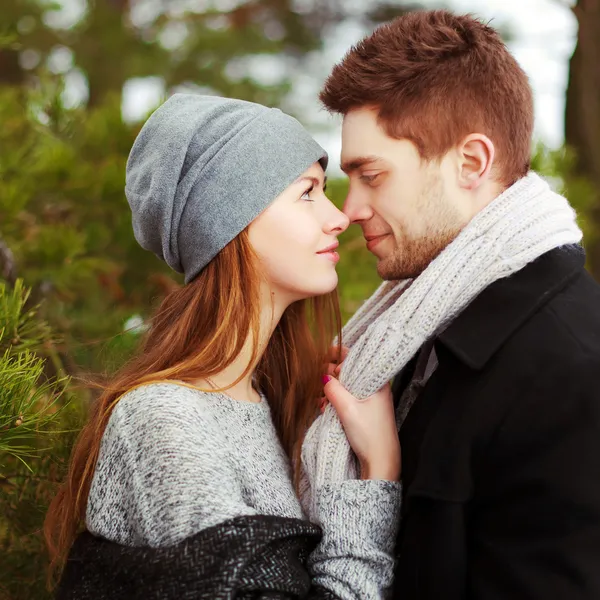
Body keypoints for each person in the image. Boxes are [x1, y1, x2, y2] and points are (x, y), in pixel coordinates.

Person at [43, 94, 403, 599]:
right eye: (307, 192)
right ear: (227, 223)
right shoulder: (164, 419)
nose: (338, 217)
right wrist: (377, 473)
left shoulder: (265, 405)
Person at [308, 9, 600, 600]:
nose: (350, 209)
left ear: (471, 162)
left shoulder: (572, 371)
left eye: (372, 174)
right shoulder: (415, 333)